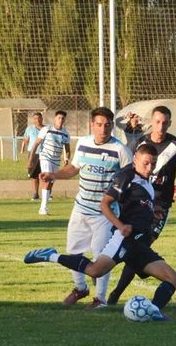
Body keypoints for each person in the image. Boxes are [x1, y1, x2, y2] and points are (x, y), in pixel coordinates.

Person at [25, 144, 176, 321]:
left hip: (140, 245)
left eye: (153, 164)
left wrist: (153, 211)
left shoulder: (147, 182)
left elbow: (139, 206)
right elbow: (104, 204)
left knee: (172, 278)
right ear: (135, 159)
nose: (150, 168)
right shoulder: (125, 177)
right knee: (94, 271)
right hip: (124, 240)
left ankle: (153, 312)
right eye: (146, 163)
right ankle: (51, 255)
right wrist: (121, 226)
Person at [43, 107, 132, 309]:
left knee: (102, 257)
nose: (103, 129)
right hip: (81, 208)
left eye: (107, 125)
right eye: (99, 125)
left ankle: (100, 299)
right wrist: (53, 175)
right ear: (92, 125)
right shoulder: (83, 143)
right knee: (73, 252)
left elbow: (129, 178)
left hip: (105, 214)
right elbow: (73, 168)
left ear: (111, 126)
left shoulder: (120, 150)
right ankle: (80, 288)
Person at [107, 105, 176, 305]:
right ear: (152, 122)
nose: (161, 126)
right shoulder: (141, 143)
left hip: (159, 208)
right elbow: (128, 167)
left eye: (165, 122)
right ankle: (113, 289)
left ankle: (116, 294)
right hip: (135, 204)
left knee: (140, 246)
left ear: (170, 123)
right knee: (134, 248)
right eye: (157, 122)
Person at [29, 110, 70, 215]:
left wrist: (66, 159)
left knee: (50, 184)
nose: (60, 120)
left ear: (65, 120)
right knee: (47, 181)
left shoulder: (65, 134)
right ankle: (43, 208)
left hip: (56, 160)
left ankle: (44, 207)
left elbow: (67, 149)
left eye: (62, 118)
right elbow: (36, 144)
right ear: (55, 119)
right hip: (45, 157)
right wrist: (31, 159)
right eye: (59, 118)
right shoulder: (46, 129)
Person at [21, 112, 44, 201]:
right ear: (33, 120)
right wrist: (31, 148)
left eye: (39, 118)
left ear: (42, 119)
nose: (37, 120)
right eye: (35, 118)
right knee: (34, 175)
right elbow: (26, 140)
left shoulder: (46, 129)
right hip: (33, 154)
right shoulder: (29, 129)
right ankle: (35, 194)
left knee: (44, 174)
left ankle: (47, 193)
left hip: (44, 154)